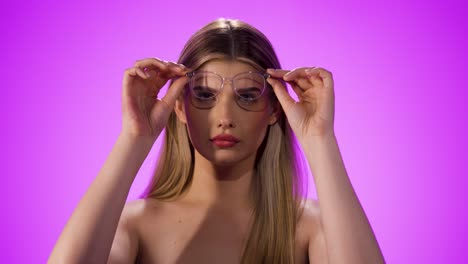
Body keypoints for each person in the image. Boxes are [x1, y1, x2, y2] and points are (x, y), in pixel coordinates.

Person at [48, 18, 385, 263]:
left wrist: (319, 139)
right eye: (205, 95)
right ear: (179, 105)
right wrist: (134, 138)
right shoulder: (133, 226)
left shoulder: (310, 227)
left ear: (274, 109)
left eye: (249, 96)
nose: (224, 116)